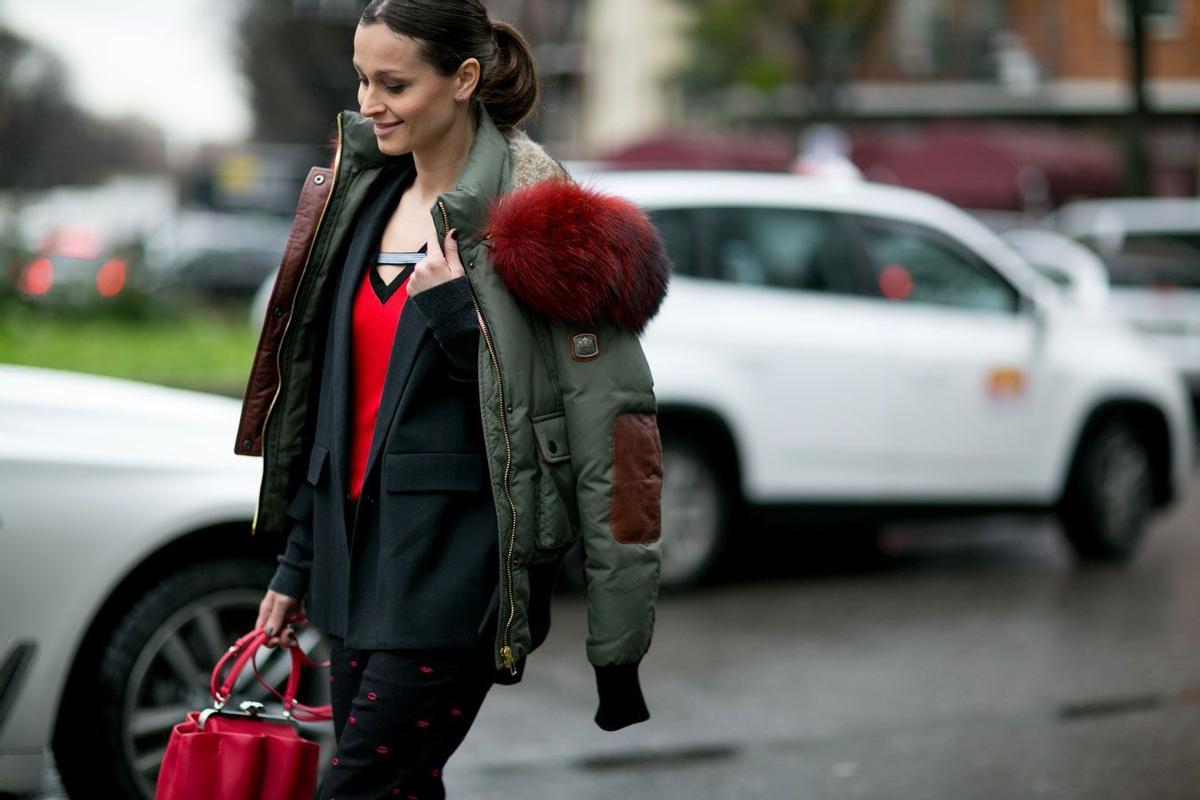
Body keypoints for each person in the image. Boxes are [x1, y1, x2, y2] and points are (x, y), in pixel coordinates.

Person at [235, 1, 670, 796]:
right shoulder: (360, 203)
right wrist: (298, 563)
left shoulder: (540, 223)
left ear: (464, 78)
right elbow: (331, 408)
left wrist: (455, 321)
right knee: (403, 785)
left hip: (451, 579)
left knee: (360, 787)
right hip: (349, 570)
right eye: (362, 79)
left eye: (393, 83)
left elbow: (609, 436)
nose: (368, 103)